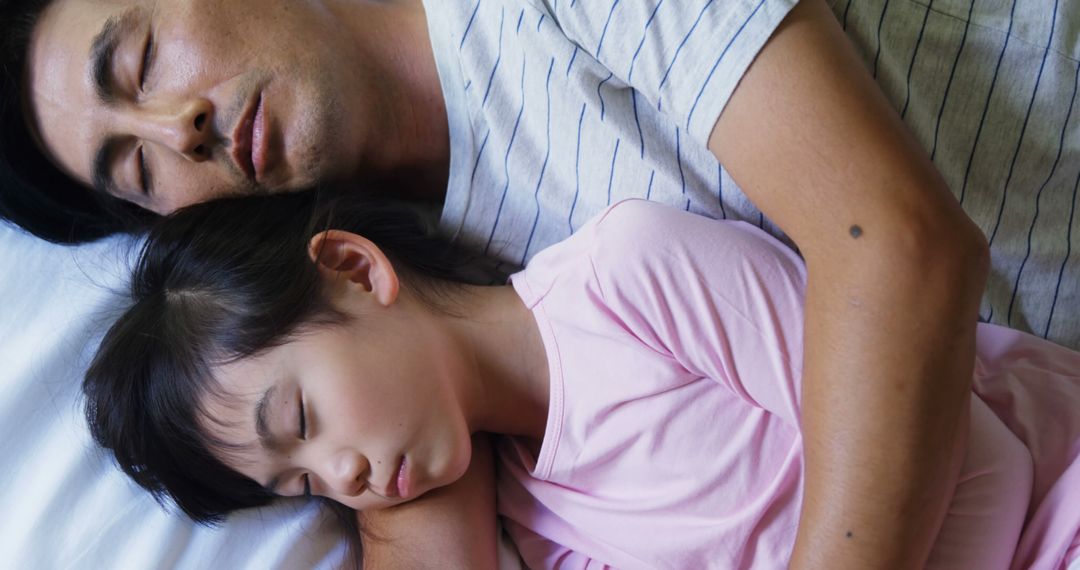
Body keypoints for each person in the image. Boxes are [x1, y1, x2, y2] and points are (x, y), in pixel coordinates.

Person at [4, 0, 1076, 564]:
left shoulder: (539, 27)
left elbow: (901, 251)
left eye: (138, 62)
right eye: (136, 171)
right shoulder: (398, 349)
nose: (177, 131)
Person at [83, 191, 1080, 568]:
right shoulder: (532, 526)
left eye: (300, 419)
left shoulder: (630, 274)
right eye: (298, 486)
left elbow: (971, 452)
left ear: (356, 269)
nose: (338, 476)